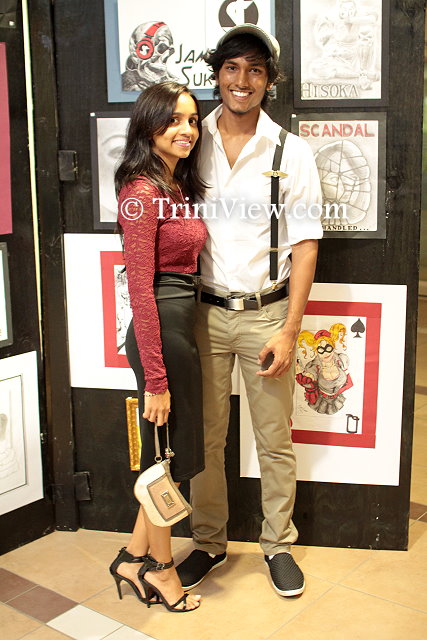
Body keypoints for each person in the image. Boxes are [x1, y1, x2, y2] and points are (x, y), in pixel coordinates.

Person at [176, 25, 323, 597]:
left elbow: (305, 245)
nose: (243, 80)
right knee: (206, 439)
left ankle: (277, 545)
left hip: (267, 315)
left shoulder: (291, 151)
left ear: (269, 80)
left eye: (255, 70)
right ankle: (208, 542)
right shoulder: (190, 140)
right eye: (232, 68)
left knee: (274, 440)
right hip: (204, 314)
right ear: (217, 74)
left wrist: (290, 330)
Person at [109, 81, 207, 612]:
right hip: (161, 330)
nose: (186, 130)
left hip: (179, 324)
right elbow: (141, 291)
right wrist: (156, 380)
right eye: (173, 120)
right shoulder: (142, 194)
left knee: (166, 452)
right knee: (163, 459)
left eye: (192, 120)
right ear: (149, 126)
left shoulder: (172, 184)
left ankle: (131, 558)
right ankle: (163, 571)